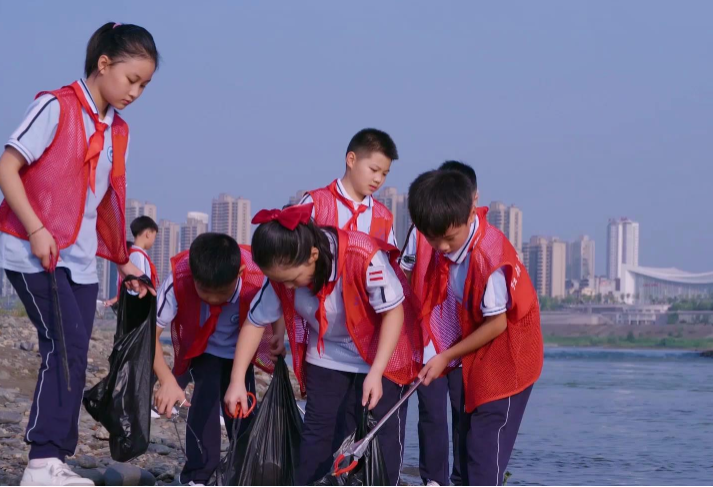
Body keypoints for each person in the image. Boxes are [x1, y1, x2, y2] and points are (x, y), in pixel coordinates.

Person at [0, 22, 158, 486]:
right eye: (132, 80)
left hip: (82, 261)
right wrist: (36, 229)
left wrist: (123, 261)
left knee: (75, 351)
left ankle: (53, 460)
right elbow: (7, 168)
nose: (136, 93)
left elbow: (102, 202)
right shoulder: (56, 106)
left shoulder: (116, 130)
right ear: (103, 64)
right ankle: (41, 462)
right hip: (33, 250)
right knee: (63, 345)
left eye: (145, 86)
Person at [225, 204, 422, 484]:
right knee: (319, 437)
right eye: (281, 282)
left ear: (313, 256)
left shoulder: (361, 257)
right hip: (327, 355)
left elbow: (394, 313)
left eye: (293, 280)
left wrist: (376, 372)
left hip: (383, 352)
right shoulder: (282, 276)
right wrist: (236, 382)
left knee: (380, 438)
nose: (288, 288)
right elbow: (254, 323)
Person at [408, 170, 544, 486]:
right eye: (433, 238)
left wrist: (446, 356)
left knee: (484, 451)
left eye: (449, 237)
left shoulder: (488, 256)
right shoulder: (449, 249)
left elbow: (497, 324)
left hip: (510, 360)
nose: (442, 246)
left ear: (471, 213)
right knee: (467, 444)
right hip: (478, 357)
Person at [152, 233, 274, 485]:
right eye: (205, 292)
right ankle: (198, 475)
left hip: (240, 351)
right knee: (204, 402)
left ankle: (244, 472)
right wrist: (166, 380)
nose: (213, 299)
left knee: (241, 410)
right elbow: (148, 334)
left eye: (221, 293)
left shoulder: (256, 279)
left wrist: (278, 338)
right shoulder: (179, 279)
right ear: (193, 275)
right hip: (202, 348)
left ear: (240, 273)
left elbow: (278, 306)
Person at [400, 160, 478, 486]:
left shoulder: (479, 237)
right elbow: (404, 273)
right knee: (432, 415)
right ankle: (433, 480)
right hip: (428, 343)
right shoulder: (420, 232)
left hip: (465, 345)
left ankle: (463, 478)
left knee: (465, 414)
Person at [296, 128, 400, 246]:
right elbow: (291, 247)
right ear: (351, 160)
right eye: (374, 170)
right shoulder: (315, 203)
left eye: (384, 174)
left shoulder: (383, 217)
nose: (378, 179)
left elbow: (390, 255)